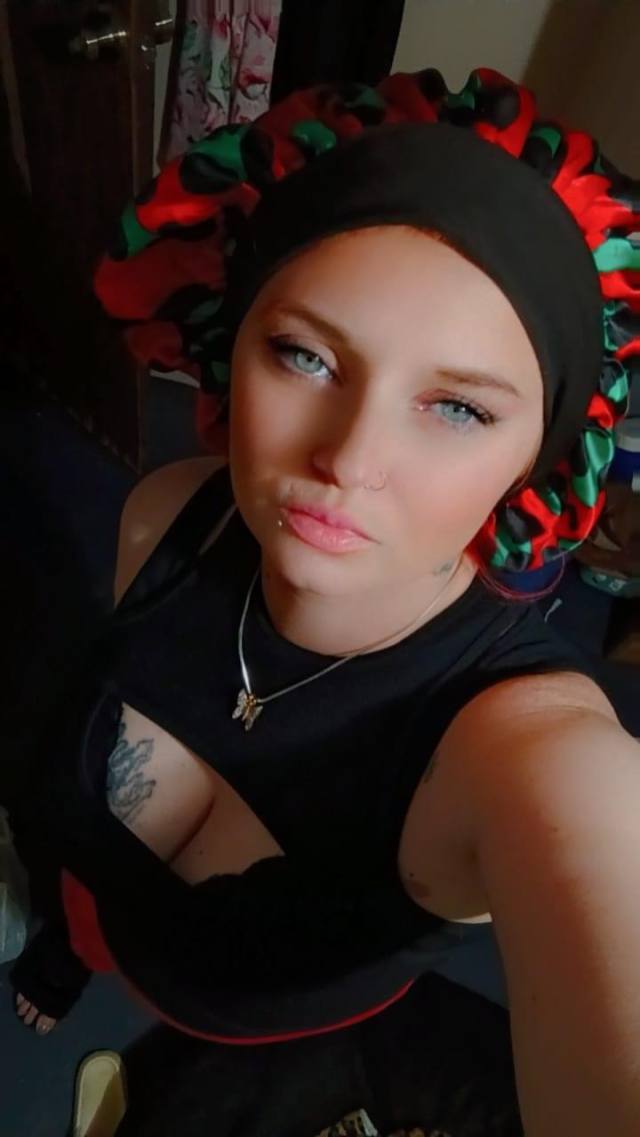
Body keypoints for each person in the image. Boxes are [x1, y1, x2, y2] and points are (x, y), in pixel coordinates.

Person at [9, 65, 640, 1135]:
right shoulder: (167, 516)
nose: (347, 460)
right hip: (101, 909)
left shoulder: (520, 750)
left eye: (456, 407)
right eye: (304, 355)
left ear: (541, 460)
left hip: (255, 1026)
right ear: (233, 342)